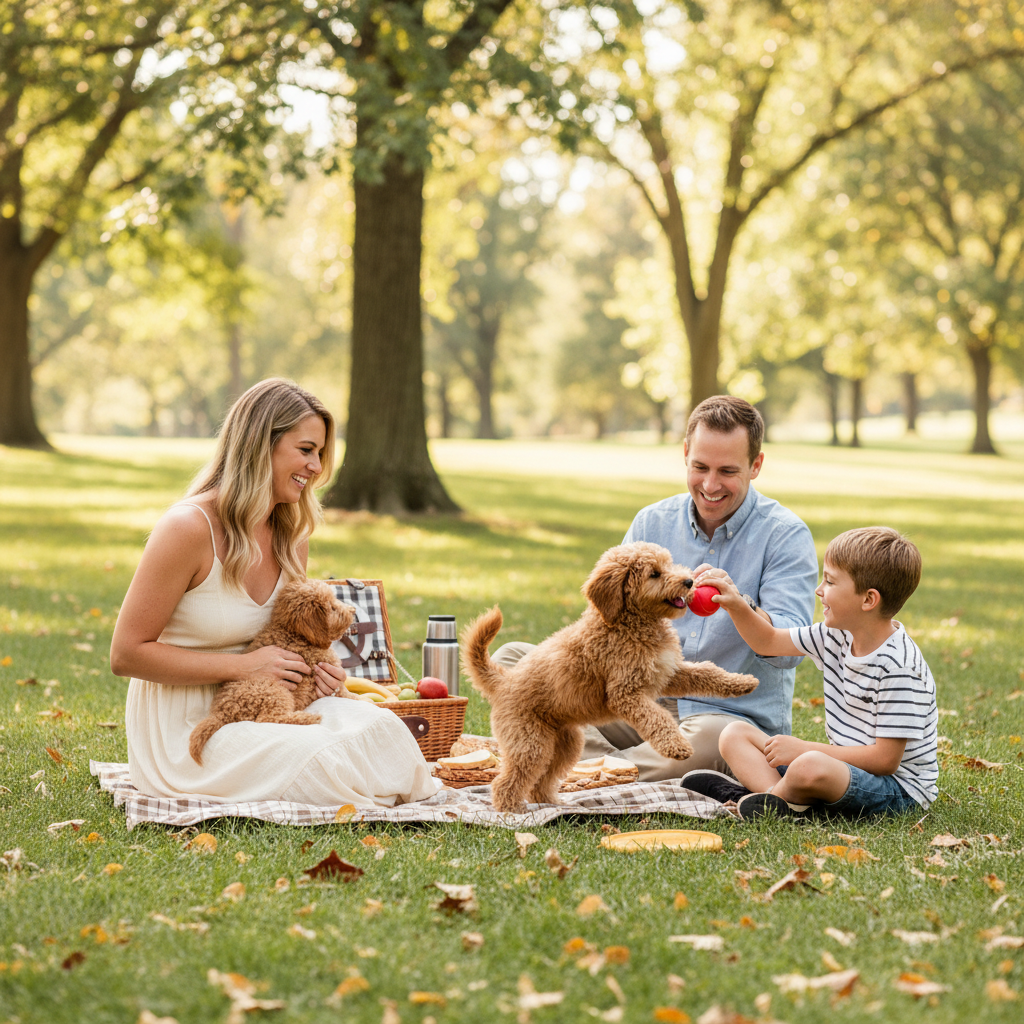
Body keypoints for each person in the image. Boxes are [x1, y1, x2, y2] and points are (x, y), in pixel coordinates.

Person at [110, 378, 437, 807]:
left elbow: (294, 641)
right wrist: (243, 667)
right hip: (187, 722)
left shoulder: (291, 535)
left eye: (320, 453)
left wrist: (323, 678)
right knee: (319, 759)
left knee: (384, 731)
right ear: (259, 445)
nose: (317, 467)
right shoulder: (188, 529)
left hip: (273, 702)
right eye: (306, 450)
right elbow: (126, 655)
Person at [494, 396, 819, 780]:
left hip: (725, 720)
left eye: (727, 471)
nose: (710, 485)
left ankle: (595, 768)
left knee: (707, 741)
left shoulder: (785, 535)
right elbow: (606, 618)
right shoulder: (652, 521)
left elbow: (791, 653)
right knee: (512, 661)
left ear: (756, 465)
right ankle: (619, 766)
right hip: (633, 700)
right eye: (700, 467)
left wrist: (740, 606)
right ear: (685, 454)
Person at [685, 527, 938, 820]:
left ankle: (761, 805)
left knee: (809, 765)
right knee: (734, 734)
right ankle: (779, 803)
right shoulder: (834, 635)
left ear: (868, 600)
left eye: (830, 581)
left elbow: (884, 761)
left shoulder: (899, 667)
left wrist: (803, 749)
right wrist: (736, 603)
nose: (819, 590)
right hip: (842, 771)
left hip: (896, 791)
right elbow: (767, 640)